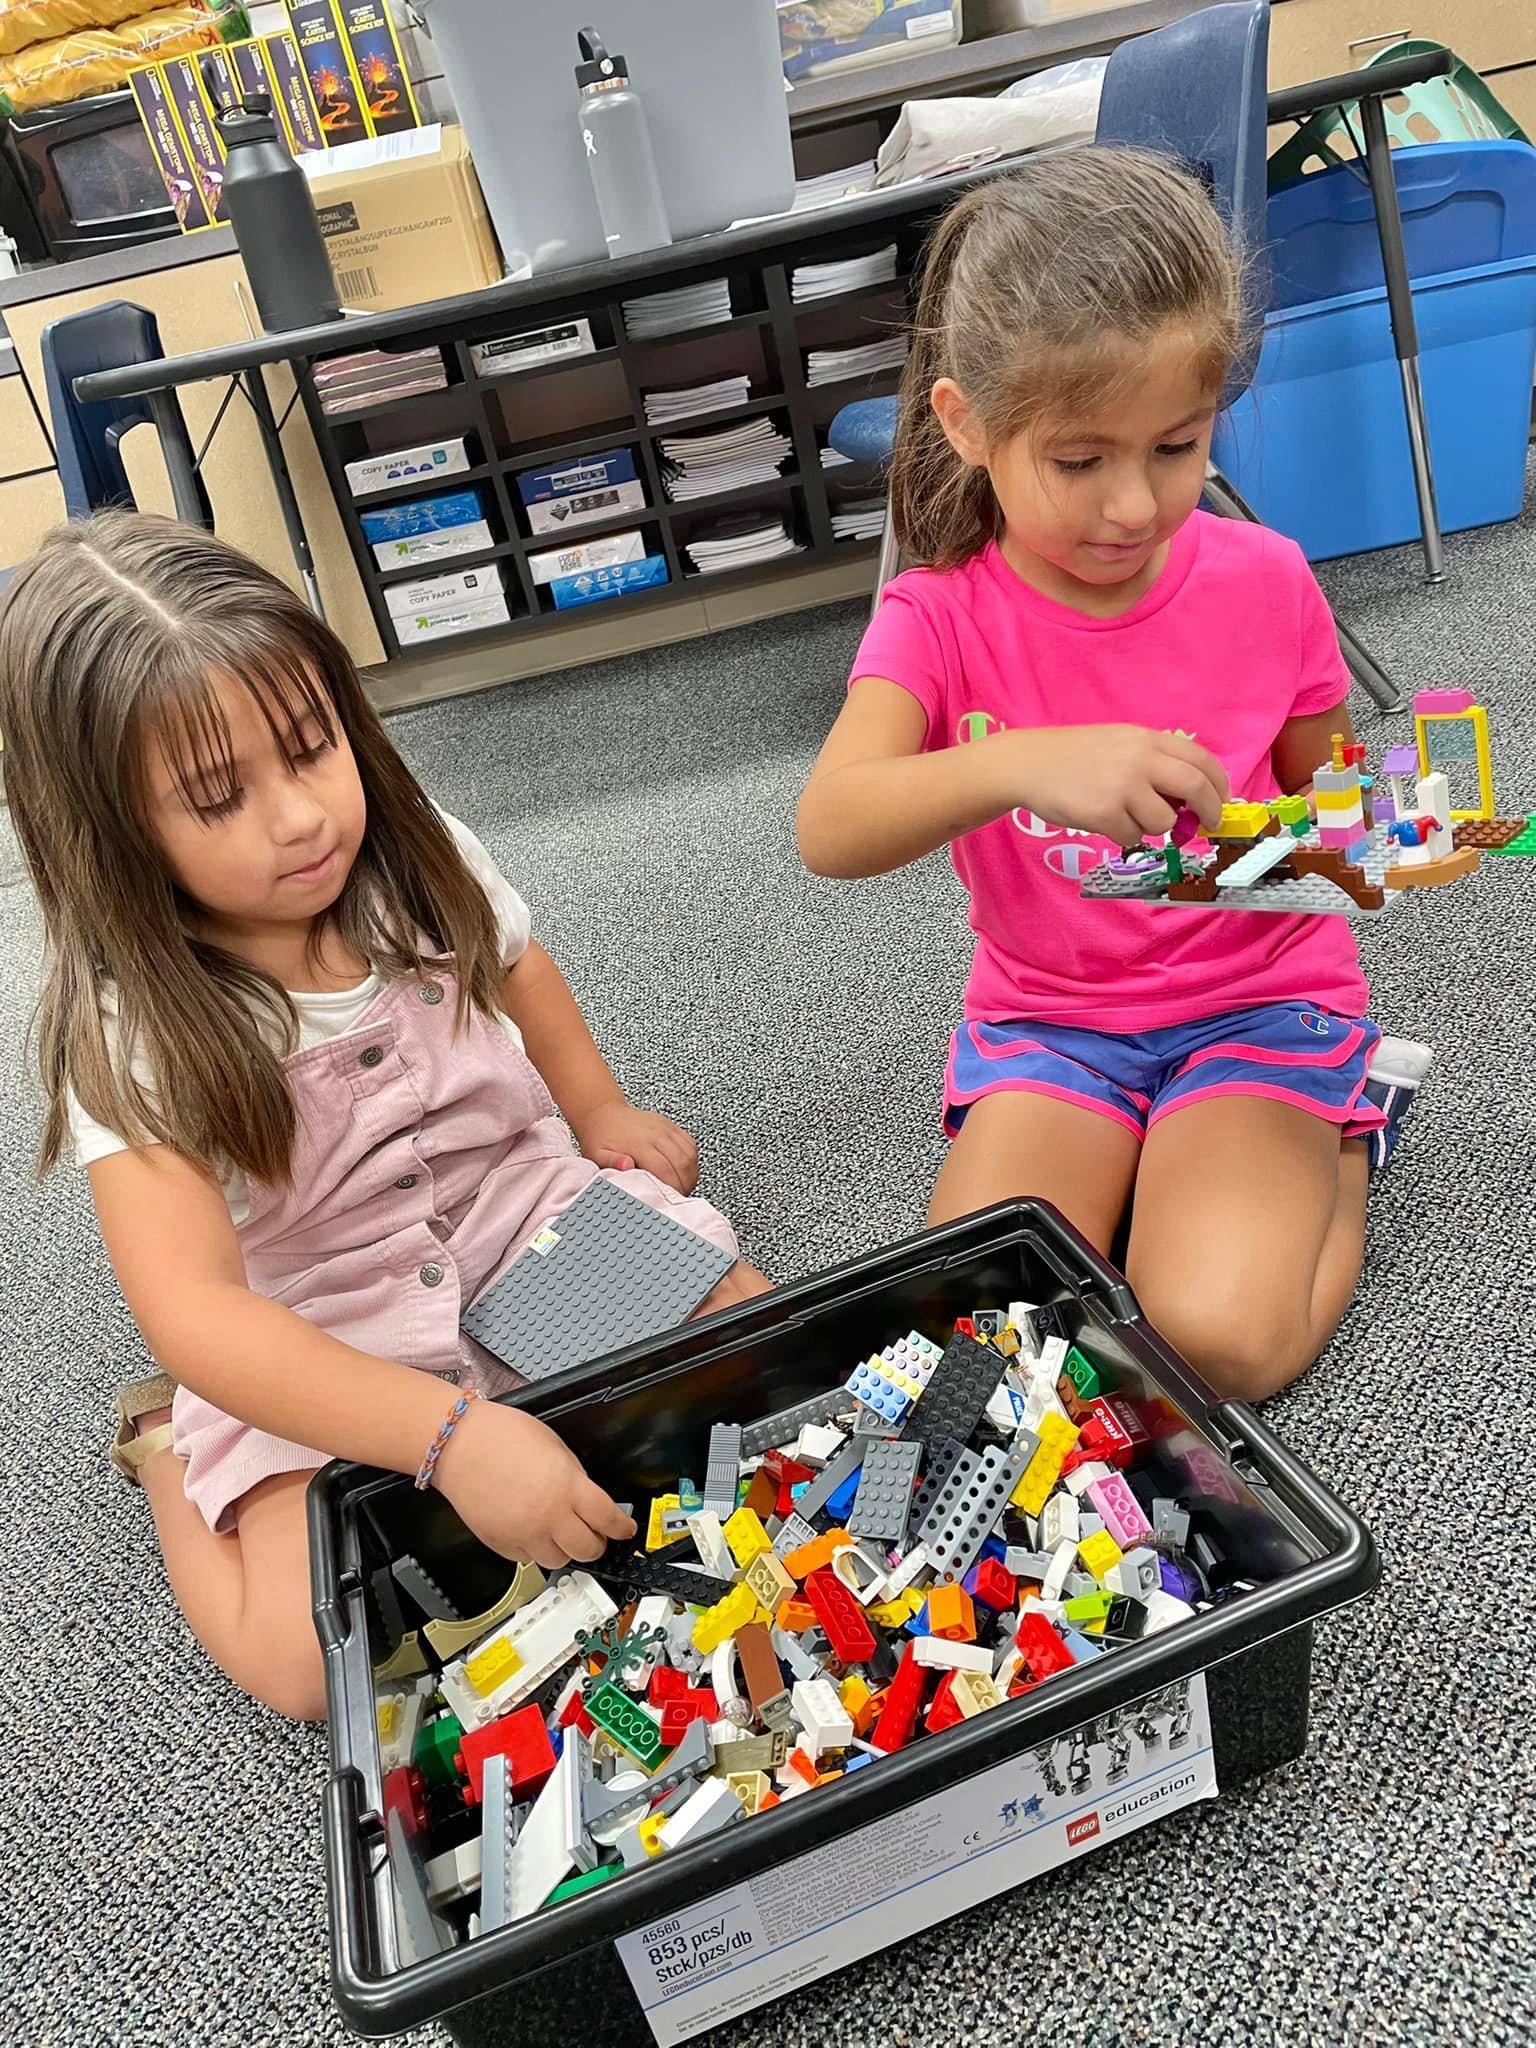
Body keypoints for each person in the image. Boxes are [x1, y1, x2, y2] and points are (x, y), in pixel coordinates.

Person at [0, 512, 766, 1721]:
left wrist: (598, 1104)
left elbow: (518, 964)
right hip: (321, 1317)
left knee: (757, 1363)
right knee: (308, 1664)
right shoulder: (132, 1025)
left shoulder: (417, 856)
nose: (300, 816)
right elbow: (196, 1309)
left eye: (312, 747)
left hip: (515, 1214)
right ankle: (166, 1455)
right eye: (218, 798)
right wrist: (448, 1434)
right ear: (114, 834)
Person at [799, 147, 1416, 1405]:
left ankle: (1355, 1124)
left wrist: (1372, 827)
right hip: (1053, 1024)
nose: (1134, 505)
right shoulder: (936, 616)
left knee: (1209, 1343)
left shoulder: (1266, 579)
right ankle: (1190, 1161)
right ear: (967, 424)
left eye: (1178, 445)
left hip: (1259, 1002)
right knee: (976, 1350)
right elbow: (832, 825)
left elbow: (1344, 818)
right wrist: (1019, 760)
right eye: (1079, 461)